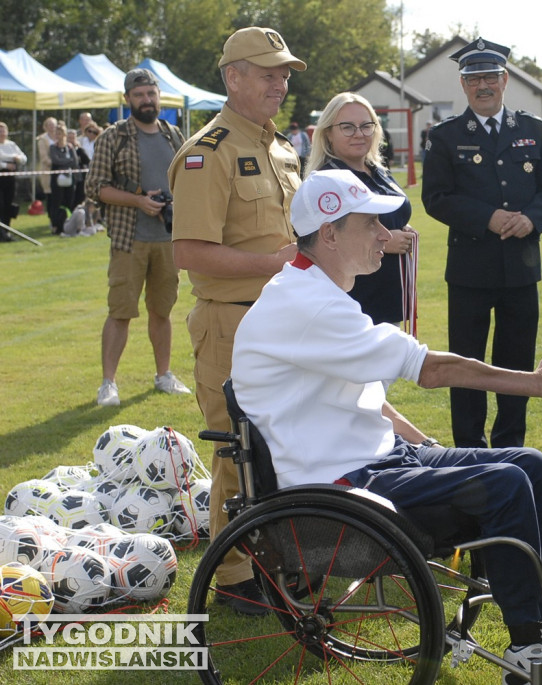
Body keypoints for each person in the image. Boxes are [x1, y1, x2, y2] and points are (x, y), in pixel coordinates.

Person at [232, 167, 542, 685]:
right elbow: (432, 369)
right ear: (330, 233)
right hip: (343, 486)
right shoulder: (308, 305)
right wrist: (535, 383)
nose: (386, 235)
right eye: (371, 225)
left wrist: (422, 443)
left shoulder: (313, 289)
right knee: (508, 483)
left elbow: (356, 397)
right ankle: (534, 653)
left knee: (531, 465)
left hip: (375, 461)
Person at [168, 26, 306, 616]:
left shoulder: (281, 148)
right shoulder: (208, 152)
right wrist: (271, 264)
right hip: (233, 325)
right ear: (234, 78)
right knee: (236, 450)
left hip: (288, 321)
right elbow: (191, 251)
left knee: (288, 444)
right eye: (268, 72)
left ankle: (280, 555)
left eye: (284, 73)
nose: (280, 82)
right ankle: (231, 575)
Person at [422, 37, 542, 449]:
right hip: (470, 269)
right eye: (473, 78)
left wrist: (531, 220)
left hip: (520, 268)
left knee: (517, 362)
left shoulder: (533, 129)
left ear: (505, 80)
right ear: (464, 85)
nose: (482, 85)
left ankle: (510, 446)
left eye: (490, 77)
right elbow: (436, 197)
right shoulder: (446, 135)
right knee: (466, 364)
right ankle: (469, 448)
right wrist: (487, 218)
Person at [85, 68, 190, 407]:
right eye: (140, 95)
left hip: (166, 237)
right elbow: (96, 188)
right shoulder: (113, 137)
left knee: (163, 310)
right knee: (120, 311)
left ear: (159, 97)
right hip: (128, 238)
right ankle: (108, 384)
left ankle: (164, 375)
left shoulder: (174, 135)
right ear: (128, 99)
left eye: (151, 94)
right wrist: (139, 200)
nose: (147, 100)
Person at [306, 92, 418, 326]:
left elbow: (388, 215)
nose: (359, 133)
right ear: (328, 133)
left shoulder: (378, 171)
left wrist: (400, 226)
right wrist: (387, 242)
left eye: (366, 126)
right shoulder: (327, 180)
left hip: (389, 297)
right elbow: (320, 242)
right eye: (347, 127)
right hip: (355, 300)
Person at [48, 123, 79, 235]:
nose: (58, 135)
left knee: (69, 201)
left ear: (64, 134)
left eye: (60, 133)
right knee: (57, 202)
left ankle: (68, 225)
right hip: (57, 180)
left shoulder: (70, 148)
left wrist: (64, 162)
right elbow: (55, 160)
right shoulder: (53, 147)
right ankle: (57, 225)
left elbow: (75, 161)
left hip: (69, 179)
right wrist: (67, 162)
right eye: (56, 133)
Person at [0, 121, 28, 242]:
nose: (2, 133)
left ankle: (7, 232)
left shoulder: (12, 145)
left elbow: (23, 158)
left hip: (10, 178)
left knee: (8, 205)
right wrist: (7, 163)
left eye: (3, 130)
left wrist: (18, 158)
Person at [35, 117, 57, 205]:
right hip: (48, 169)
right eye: (49, 124)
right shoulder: (42, 139)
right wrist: (54, 163)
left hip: (61, 170)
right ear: (46, 126)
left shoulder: (60, 136)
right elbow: (43, 156)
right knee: (50, 194)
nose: (52, 127)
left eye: (53, 124)